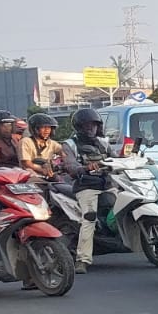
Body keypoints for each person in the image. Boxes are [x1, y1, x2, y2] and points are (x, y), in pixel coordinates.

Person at [66, 108, 112, 273]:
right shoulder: (70, 144)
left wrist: (134, 159)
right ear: (79, 126)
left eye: (94, 125)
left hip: (108, 184)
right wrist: (83, 168)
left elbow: (116, 158)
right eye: (87, 125)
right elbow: (70, 165)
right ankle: (82, 260)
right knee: (89, 218)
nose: (91, 128)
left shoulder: (103, 143)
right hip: (86, 186)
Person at [21, 113, 67, 183]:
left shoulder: (52, 143)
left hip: (50, 176)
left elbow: (65, 155)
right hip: (31, 176)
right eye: (43, 127)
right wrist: (42, 169)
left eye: (49, 128)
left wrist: (67, 163)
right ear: (34, 129)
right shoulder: (26, 141)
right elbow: (26, 163)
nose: (47, 130)